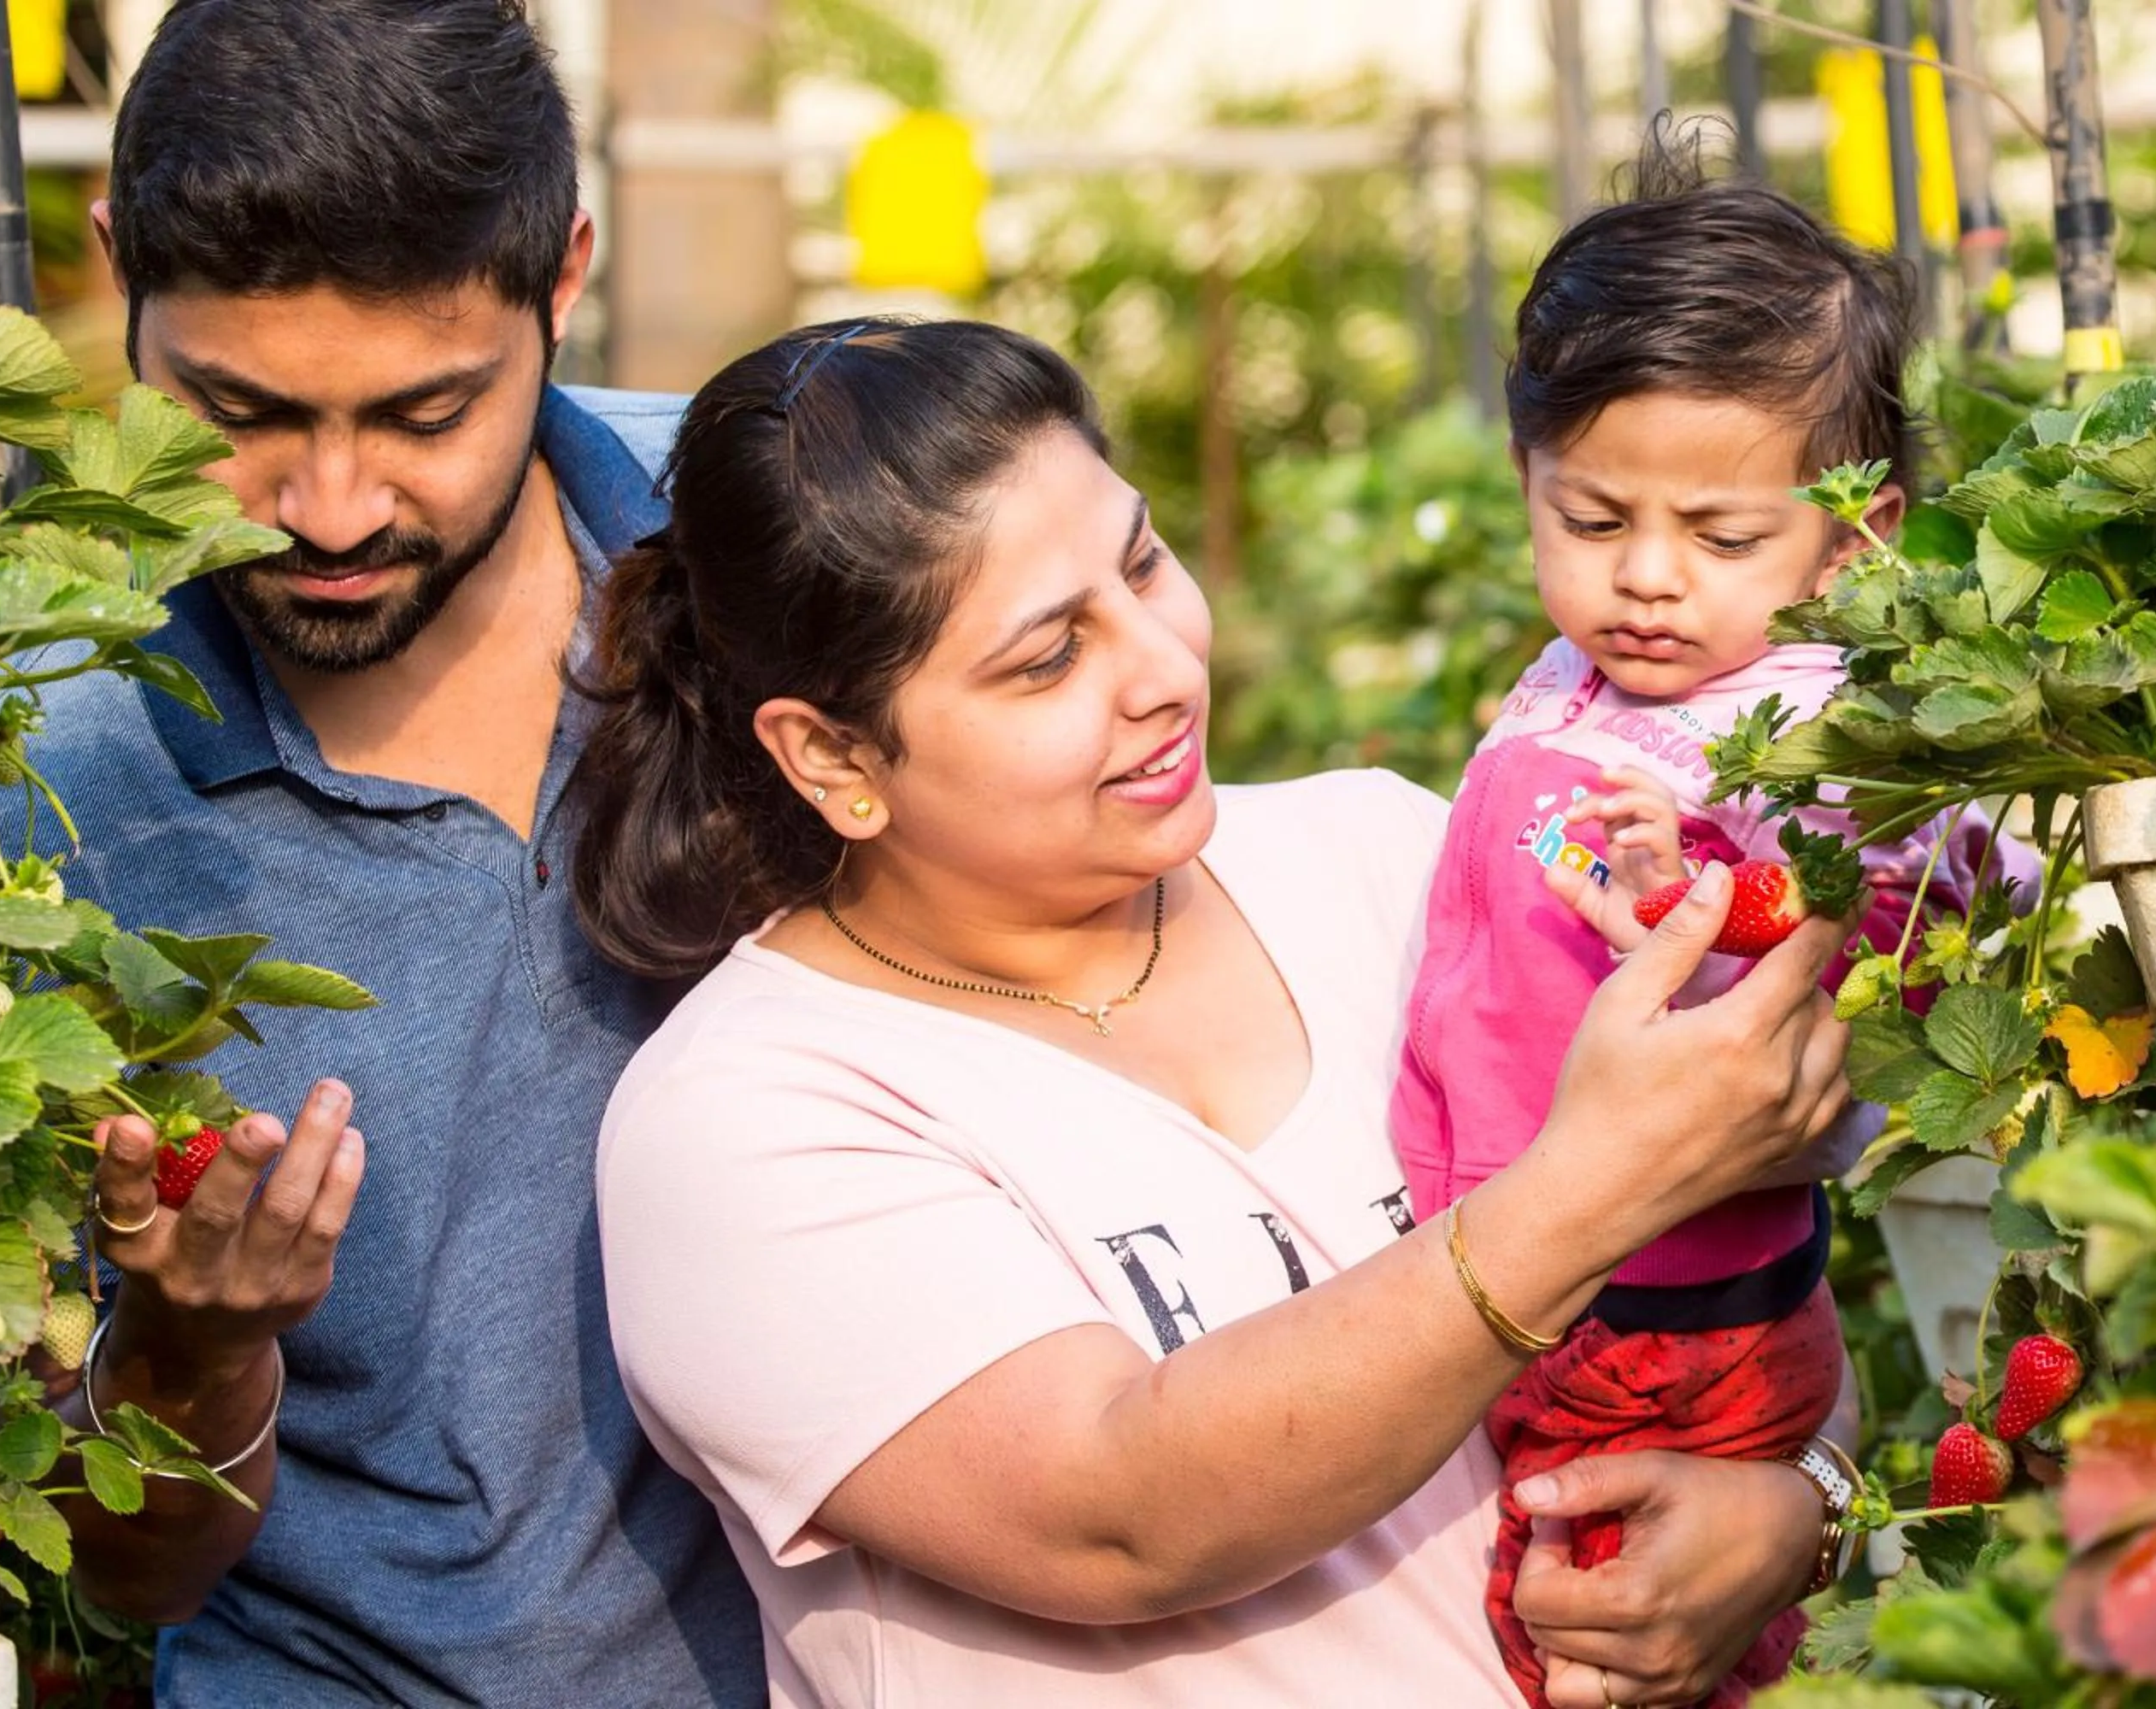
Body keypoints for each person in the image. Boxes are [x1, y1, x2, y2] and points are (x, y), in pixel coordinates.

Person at [575, 315, 1865, 1709]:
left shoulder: (1388, 855)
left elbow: (1745, 1286)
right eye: (1046, 659)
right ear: (832, 754)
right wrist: (1600, 1180)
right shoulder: (748, 1122)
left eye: (1142, 563)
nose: (1165, 669)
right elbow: (1123, 1510)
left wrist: (1800, 1508)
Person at [38, 3, 767, 1701]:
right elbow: (101, 1565)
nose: (335, 505)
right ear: (112, 274)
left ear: (566, 274)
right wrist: (196, 1350)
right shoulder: (43, 783)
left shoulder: (777, 545)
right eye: (240, 413)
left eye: (429, 414)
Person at [1391, 146, 2018, 1708]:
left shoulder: (1824, 724)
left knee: (1611, 1633)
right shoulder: (1573, 677)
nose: (1649, 580)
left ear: (1852, 536)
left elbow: (1903, 911)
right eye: (1591, 518)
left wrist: (1725, 882)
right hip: (1509, 1280)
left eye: (1724, 539)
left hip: (1677, 1317)